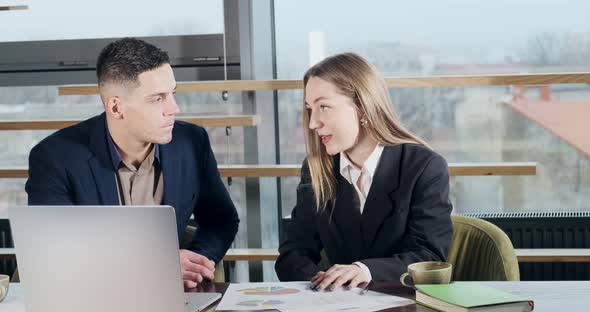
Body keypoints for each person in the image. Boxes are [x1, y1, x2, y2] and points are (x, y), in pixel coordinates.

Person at [25, 38, 239, 288]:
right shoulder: (55, 157)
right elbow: (55, 250)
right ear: (116, 107)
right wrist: (159, 266)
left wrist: (195, 263)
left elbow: (221, 220)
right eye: (157, 99)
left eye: (173, 93)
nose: (174, 108)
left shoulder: (191, 142)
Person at [275, 53, 453, 291]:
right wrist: (325, 285)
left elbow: (429, 256)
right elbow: (292, 254)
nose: (312, 123)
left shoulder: (424, 167)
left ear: (361, 107)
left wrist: (363, 271)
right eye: (310, 109)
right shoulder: (316, 169)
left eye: (324, 107)